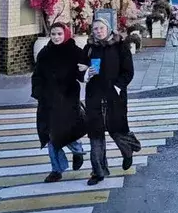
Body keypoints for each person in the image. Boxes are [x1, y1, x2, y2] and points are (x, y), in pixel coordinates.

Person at [83, 18, 142, 185]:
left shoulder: (120, 46)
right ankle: (98, 171)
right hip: (94, 96)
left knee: (118, 130)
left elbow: (128, 71)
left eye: (101, 28)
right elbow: (79, 69)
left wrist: (117, 87)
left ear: (108, 29)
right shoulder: (89, 48)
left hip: (115, 96)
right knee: (96, 134)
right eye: (95, 29)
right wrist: (87, 73)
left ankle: (128, 151)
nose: (98, 31)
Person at [31, 23, 86, 183]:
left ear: (66, 34)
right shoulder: (45, 53)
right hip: (47, 100)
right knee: (50, 135)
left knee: (66, 132)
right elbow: (37, 75)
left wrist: (87, 71)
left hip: (67, 100)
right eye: (53, 34)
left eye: (59, 34)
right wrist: (38, 92)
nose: (56, 37)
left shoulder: (75, 52)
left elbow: (83, 73)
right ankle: (56, 170)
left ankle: (78, 151)